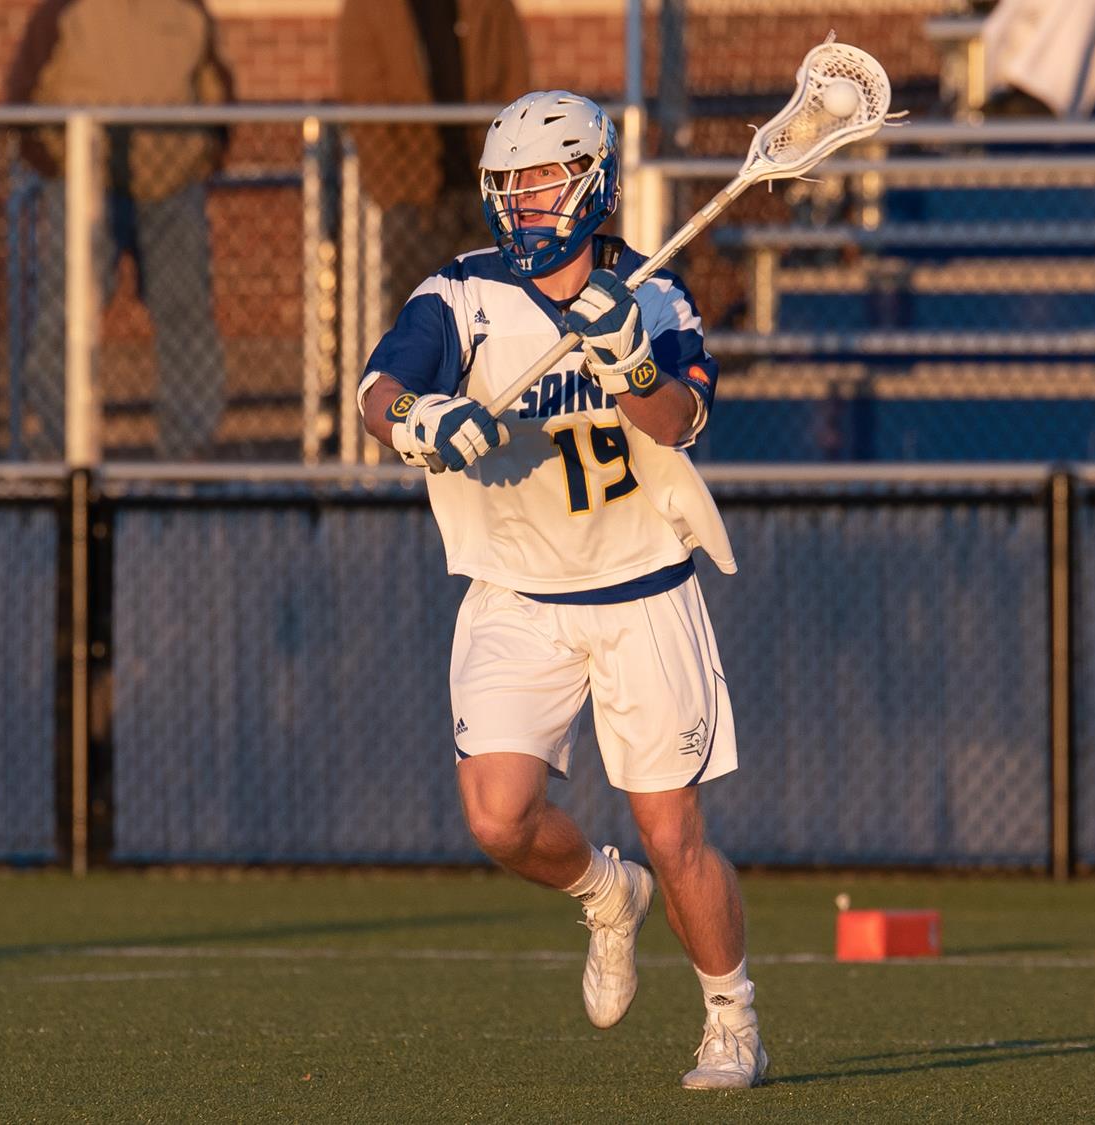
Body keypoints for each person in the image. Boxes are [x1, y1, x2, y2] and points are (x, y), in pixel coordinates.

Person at [356, 90, 765, 1091]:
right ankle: (599, 891)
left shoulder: (656, 294)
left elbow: (677, 423)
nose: (526, 200)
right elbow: (376, 389)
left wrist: (628, 364)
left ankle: (731, 1021)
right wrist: (419, 422)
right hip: (516, 592)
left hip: (640, 589)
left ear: (591, 181)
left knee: (675, 836)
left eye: (543, 178)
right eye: (510, 183)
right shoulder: (458, 293)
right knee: (497, 820)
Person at [6, 0, 233, 461]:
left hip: (170, 183)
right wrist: (57, 164)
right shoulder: (63, 10)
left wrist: (202, 155)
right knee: (66, 315)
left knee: (185, 316)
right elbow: (24, 91)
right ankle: (62, 447)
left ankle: (188, 452)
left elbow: (216, 91)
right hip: (85, 182)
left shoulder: (186, 10)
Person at [337, 0, 531, 311]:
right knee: (421, 325)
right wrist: (394, 188)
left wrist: (509, 170)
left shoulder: (491, 6)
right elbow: (362, 101)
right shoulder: (371, 8)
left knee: (498, 315)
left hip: (487, 189)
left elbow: (516, 83)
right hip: (414, 200)